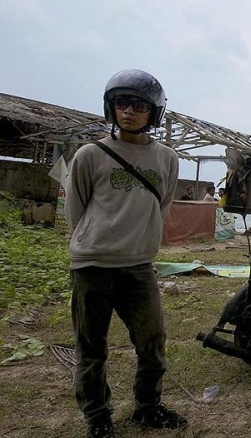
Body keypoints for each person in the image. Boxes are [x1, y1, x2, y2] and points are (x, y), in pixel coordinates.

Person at [64, 69, 187, 438]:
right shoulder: (89, 155)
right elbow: (76, 209)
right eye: (121, 103)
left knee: (152, 341)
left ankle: (148, 406)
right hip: (92, 266)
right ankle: (98, 416)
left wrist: (140, 239)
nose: (129, 111)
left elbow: (161, 206)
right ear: (110, 107)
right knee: (91, 347)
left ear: (154, 112)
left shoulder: (166, 158)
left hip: (139, 267)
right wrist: (94, 241)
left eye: (138, 105)